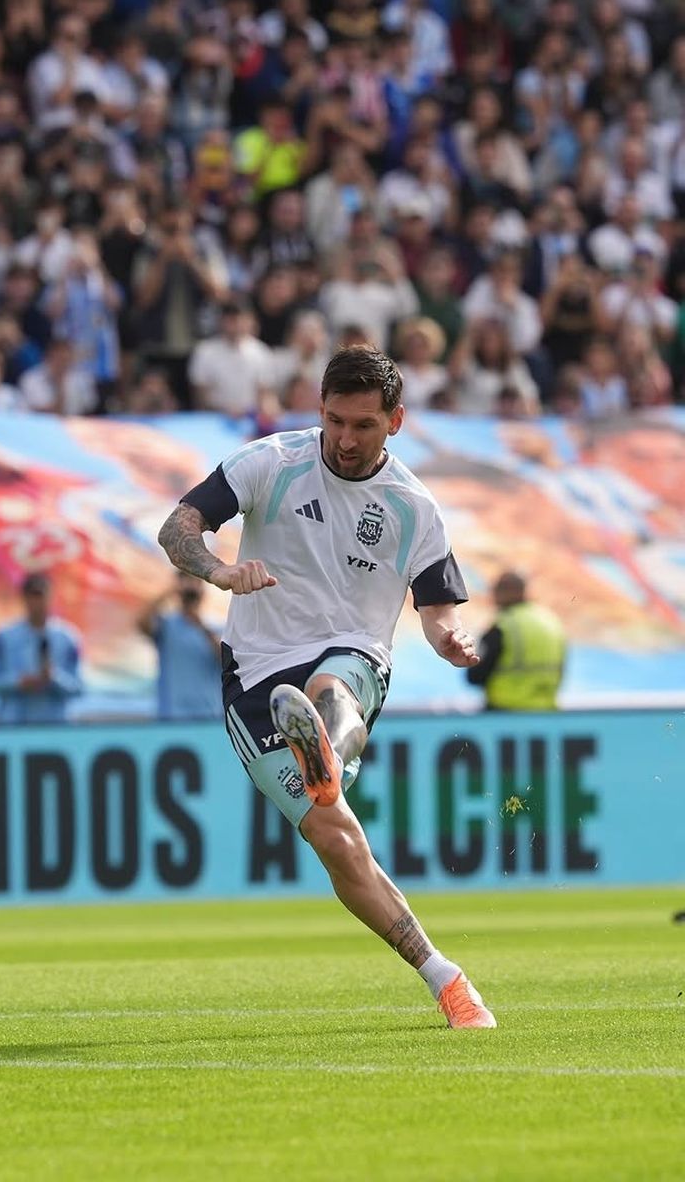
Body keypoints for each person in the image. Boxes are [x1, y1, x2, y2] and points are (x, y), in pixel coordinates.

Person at [155, 344, 497, 1030]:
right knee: (337, 842)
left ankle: (325, 755)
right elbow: (178, 528)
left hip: (352, 653)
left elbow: (437, 609)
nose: (345, 438)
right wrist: (218, 572)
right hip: (253, 674)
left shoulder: (412, 507)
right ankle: (444, 976)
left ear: (395, 421)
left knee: (330, 686)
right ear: (320, 410)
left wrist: (449, 639)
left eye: (363, 425)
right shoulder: (271, 463)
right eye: (335, 420)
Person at [0, 572, 82, 725]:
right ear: (24, 598)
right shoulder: (4, 637)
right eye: (32, 596)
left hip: (54, 727)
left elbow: (79, 687)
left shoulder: (67, 637)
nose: (37, 602)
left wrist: (54, 679)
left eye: (41, 596)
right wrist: (18, 683)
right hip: (13, 726)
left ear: (50, 598)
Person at [466, 570, 567, 710]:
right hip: (546, 712)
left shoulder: (504, 625)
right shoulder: (550, 620)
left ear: (506, 591)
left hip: (505, 712)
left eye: (497, 589)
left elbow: (475, 676)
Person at [138, 571, 223, 721]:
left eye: (197, 582)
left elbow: (225, 660)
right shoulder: (167, 625)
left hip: (210, 717)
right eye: (187, 581)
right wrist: (171, 591)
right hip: (172, 717)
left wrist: (200, 625)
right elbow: (142, 622)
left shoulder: (216, 627)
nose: (192, 587)